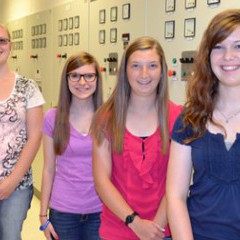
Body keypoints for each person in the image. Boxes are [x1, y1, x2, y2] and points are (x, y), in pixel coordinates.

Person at [91, 36, 182, 240]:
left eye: (152, 65)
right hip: (118, 228)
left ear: (162, 70)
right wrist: (136, 223)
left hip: (165, 229)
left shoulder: (177, 117)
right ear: (125, 71)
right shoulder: (106, 117)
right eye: (135, 66)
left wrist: (155, 228)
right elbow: (101, 181)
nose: (144, 74)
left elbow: (178, 183)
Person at [166, 9, 240, 240]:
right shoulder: (190, 118)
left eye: (238, 46)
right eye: (218, 47)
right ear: (207, 55)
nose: (228, 56)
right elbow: (175, 195)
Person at [40, 52, 103, 240]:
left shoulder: (108, 117)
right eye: (75, 75)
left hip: (101, 210)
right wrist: (43, 215)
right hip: (63, 212)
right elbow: (48, 169)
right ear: (66, 79)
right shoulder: (53, 117)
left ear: (97, 79)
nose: (82, 82)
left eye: (89, 76)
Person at [0, 24, 44, 240]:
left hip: (16, 184)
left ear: (11, 45)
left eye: (2, 40)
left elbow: (35, 136)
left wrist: (11, 181)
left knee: (9, 236)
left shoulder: (28, 87)